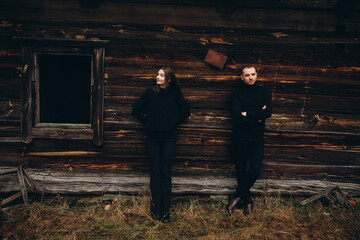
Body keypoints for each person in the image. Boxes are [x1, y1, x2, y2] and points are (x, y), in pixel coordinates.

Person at [132, 67, 190, 223]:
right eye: (158, 74)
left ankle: (165, 212)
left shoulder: (175, 94)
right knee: (155, 173)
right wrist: (148, 122)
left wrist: (172, 123)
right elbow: (135, 110)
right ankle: (155, 210)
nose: (157, 77)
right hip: (153, 139)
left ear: (169, 79)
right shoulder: (150, 93)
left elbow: (185, 112)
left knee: (165, 172)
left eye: (161, 75)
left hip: (169, 138)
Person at [227, 65, 272, 216]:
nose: (251, 77)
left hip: (257, 137)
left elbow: (269, 112)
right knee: (240, 169)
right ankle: (248, 202)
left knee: (255, 169)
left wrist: (247, 114)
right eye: (247, 75)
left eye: (253, 74)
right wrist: (258, 116)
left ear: (257, 75)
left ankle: (237, 195)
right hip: (240, 136)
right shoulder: (236, 94)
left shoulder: (264, 91)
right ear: (242, 77)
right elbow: (237, 117)